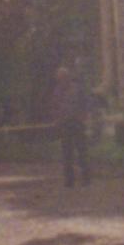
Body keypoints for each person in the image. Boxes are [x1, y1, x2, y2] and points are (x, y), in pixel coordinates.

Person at [51, 57, 93, 190]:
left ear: (68, 77)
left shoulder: (77, 89)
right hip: (65, 124)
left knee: (82, 151)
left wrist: (84, 115)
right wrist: (57, 119)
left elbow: (85, 103)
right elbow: (55, 106)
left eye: (63, 77)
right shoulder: (57, 91)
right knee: (67, 153)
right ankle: (69, 181)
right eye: (59, 78)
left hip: (77, 122)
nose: (61, 80)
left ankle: (86, 178)